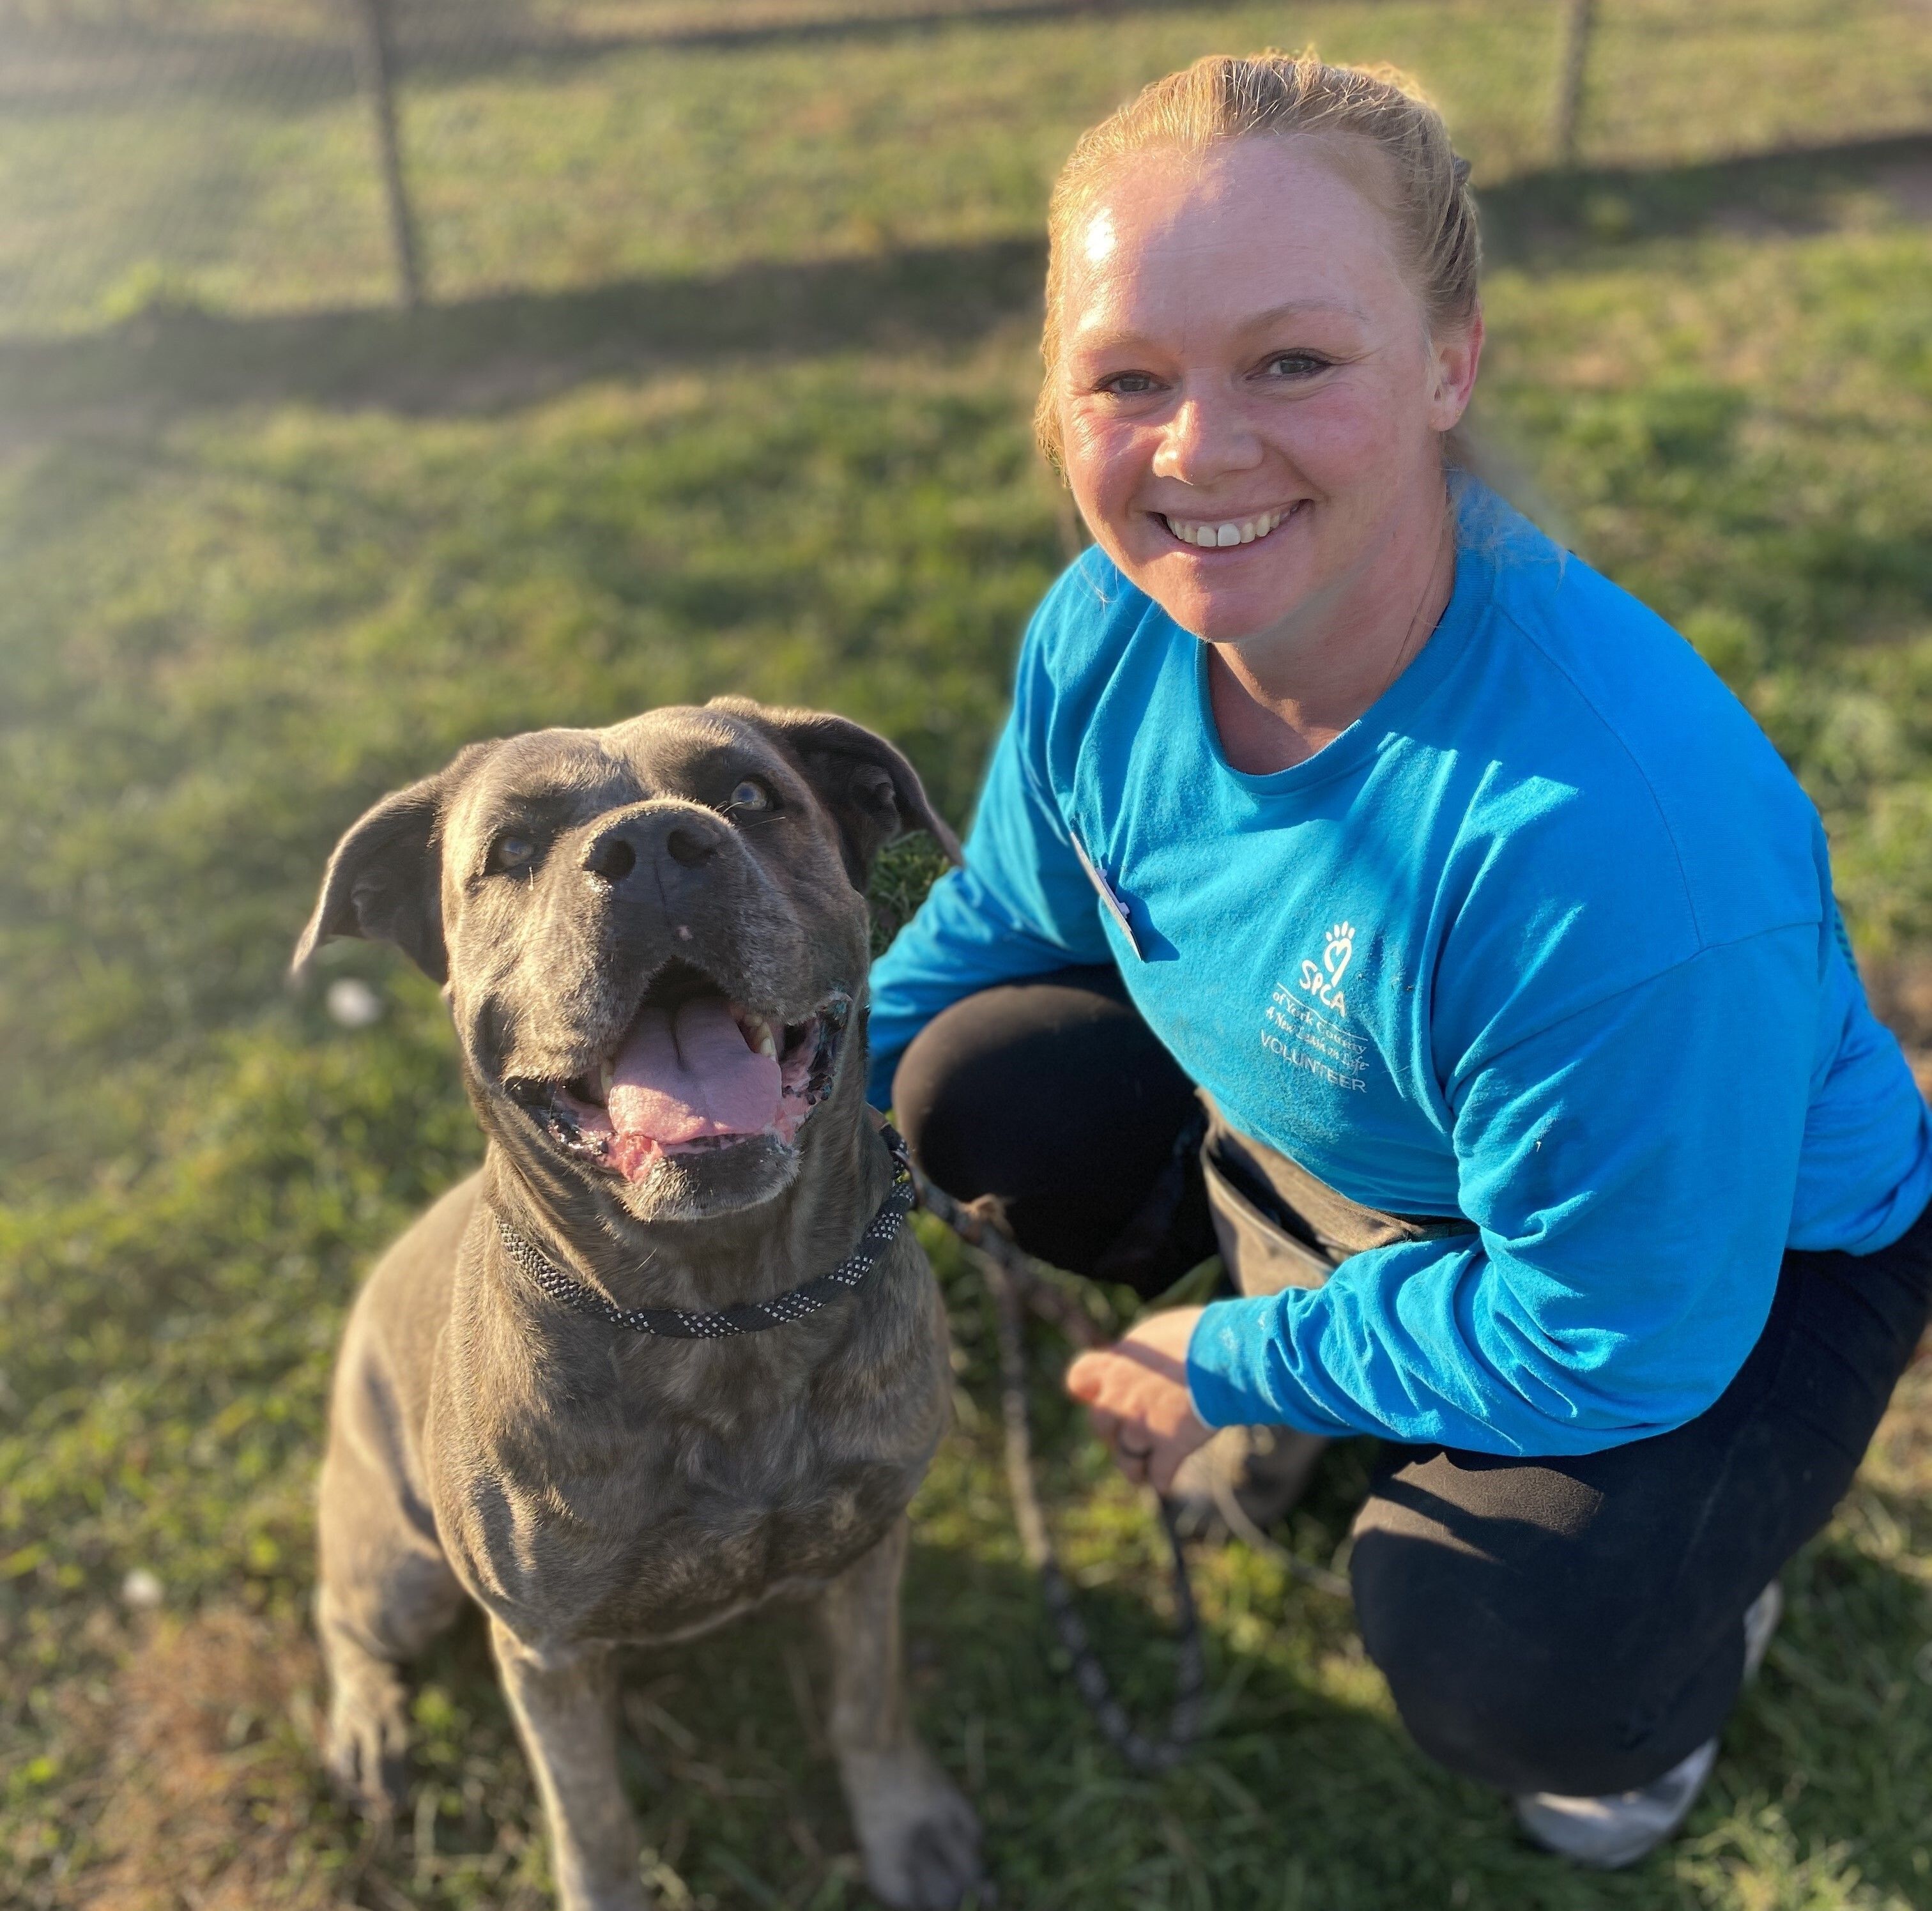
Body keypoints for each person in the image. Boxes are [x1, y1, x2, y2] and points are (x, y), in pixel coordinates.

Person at [864, 50, 1932, 1868]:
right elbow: (1013, 921)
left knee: (1495, 1636)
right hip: (1407, 1152)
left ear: (1449, 363)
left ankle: (1676, 1630)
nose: (1199, 452)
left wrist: (1227, 1359)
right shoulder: (1107, 634)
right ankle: (1342, 1344)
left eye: (1294, 362)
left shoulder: (1603, 839)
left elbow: (1612, 1328)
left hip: (1720, 1275)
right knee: (967, 1082)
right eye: (1130, 379)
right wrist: (801, 1091)